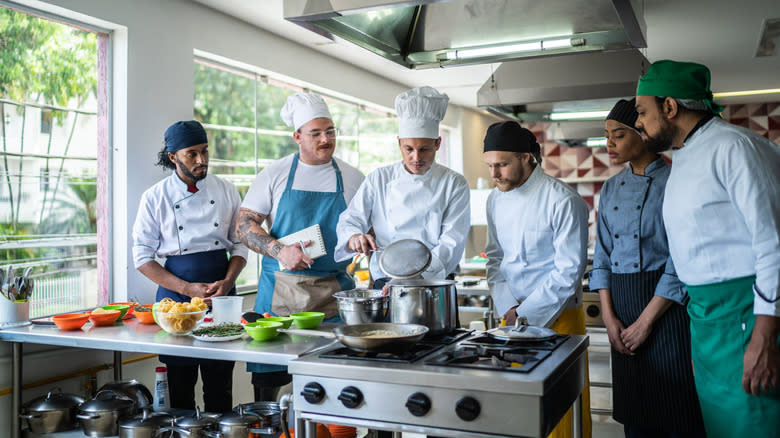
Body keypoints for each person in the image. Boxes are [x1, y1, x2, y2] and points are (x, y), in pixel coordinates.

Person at [634, 60, 780, 437]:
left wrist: (764, 336)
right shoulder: (682, 157)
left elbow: (774, 244)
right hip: (707, 323)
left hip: (748, 316)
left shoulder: (737, 147)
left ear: (669, 107)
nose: (638, 123)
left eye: (642, 112)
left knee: (755, 425)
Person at [236, 92, 364, 401]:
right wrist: (280, 250)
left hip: (332, 297)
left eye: (330, 131)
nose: (325, 139)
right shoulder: (275, 173)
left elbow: (370, 230)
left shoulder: (354, 178)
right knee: (267, 392)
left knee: (334, 390)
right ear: (297, 136)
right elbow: (243, 225)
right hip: (279, 296)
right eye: (316, 133)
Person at [590, 99, 705, 437]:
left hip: (667, 310)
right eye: (607, 135)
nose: (609, 143)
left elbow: (680, 258)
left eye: (619, 134)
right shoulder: (610, 188)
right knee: (635, 417)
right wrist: (610, 321)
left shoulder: (677, 180)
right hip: (622, 309)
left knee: (676, 410)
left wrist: (645, 322)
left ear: (642, 133)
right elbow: (602, 258)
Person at [482, 121, 591, 438]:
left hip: (558, 318)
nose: (495, 174)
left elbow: (569, 271)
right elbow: (494, 257)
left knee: (562, 415)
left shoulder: (563, 200)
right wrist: (508, 306)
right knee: (520, 414)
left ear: (528, 157)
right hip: (511, 318)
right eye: (490, 166)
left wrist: (526, 312)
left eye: (502, 164)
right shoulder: (495, 199)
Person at [132, 120, 248, 413]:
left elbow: (240, 244)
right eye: (192, 154)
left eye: (205, 152)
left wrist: (228, 281)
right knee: (180, 391)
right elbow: (142, 257)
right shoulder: (155, 197)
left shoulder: (226, 190)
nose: (201, 160)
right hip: (177, 301)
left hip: (221, 296)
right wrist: (187, 289)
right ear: (173, 157)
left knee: (220, 387)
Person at [335, 86, 470, 287]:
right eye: (409, 149)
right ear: (399, 143)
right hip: (385, 280)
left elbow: (452, 241)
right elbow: (350, 219)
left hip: (433, 282)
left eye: (424, 149)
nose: (416, 158)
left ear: (438, 144)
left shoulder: (453, 183)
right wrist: (354, 236)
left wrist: (416, 277)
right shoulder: (379, 178)